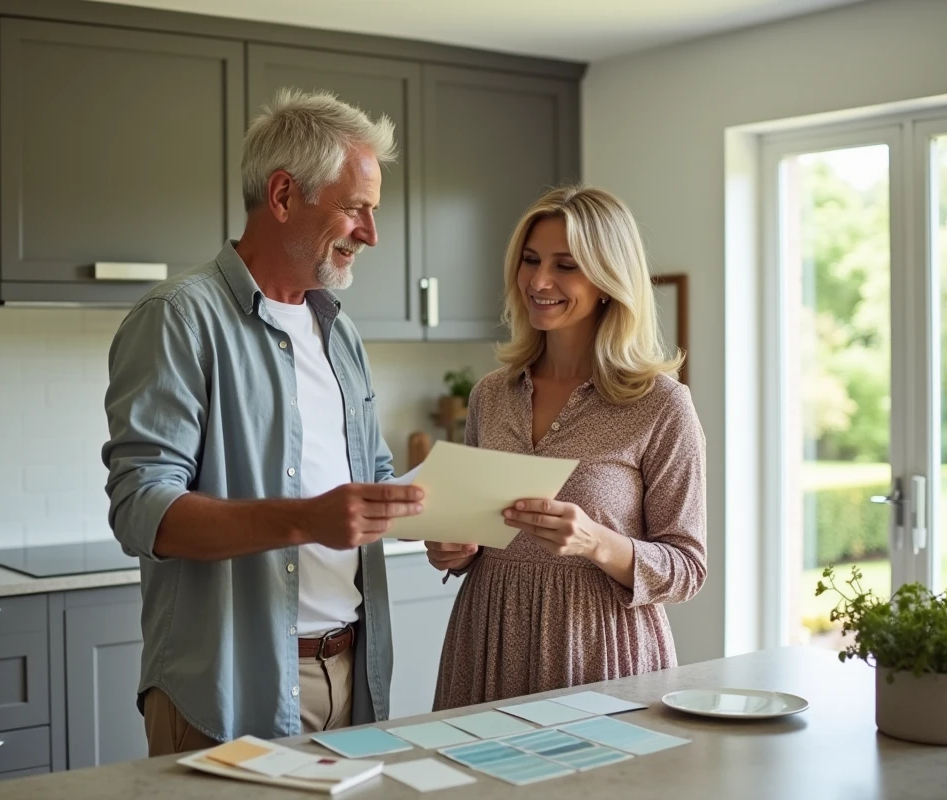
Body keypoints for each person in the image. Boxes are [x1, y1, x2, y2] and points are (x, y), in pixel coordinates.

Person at [102, 88, 424, 754]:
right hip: (227, 689)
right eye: (357, 209)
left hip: (353, 675)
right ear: (283, 197)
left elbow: (373, 475)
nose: (371, 233)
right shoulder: (180, 318)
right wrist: (305, 519)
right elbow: (141, 508)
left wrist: (440, 521)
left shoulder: (341, 333)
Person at [426, 185, 706, 709]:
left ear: (607, 279)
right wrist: (451, 550)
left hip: (599, 649)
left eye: (565, 265)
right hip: (486, 641)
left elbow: (687, 567)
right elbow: (470, 536)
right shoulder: (492, 394)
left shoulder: (661, 404)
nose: (539, 281)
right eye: (530, 261)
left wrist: (595, 541)